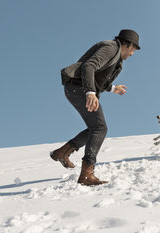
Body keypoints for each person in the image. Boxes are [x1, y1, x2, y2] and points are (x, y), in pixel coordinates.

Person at [50, 29, 140, 186]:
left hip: (77, 89)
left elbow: (101, 81)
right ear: (127, 44)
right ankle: (86, 174)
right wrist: (90, 93)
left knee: (95, 128)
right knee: (99, 128)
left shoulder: (118, 61)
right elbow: (89, 66)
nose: (132, 54)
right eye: (133, 49)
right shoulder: (111, 47)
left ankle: (62, 153)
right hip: (78, 87)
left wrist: (113, 88)